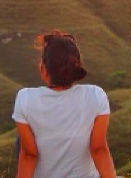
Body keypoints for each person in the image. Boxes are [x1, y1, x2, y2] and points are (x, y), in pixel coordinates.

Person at [12, 30, 117, 178]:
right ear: (75, 67)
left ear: (44, 69)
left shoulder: (25, 98)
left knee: (20, 141)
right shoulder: (96, 95)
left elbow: (29, 155)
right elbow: (98, 149)